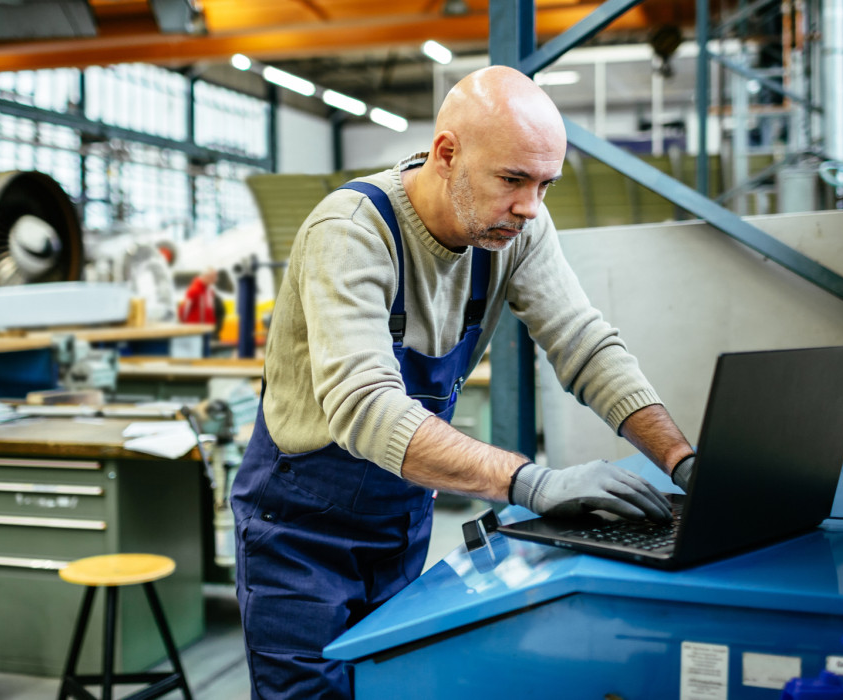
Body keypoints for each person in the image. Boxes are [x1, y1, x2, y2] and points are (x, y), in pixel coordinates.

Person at [230, 65, 697, 699]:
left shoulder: (514, 229)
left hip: (399, 522)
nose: (530, 207)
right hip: (299, 535)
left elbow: (584, 343)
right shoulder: (351, 232)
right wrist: (534, 483)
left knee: (393, 685)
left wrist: (684, 462)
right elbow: (367, 408)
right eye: (513, 180)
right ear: (447, 154)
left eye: (545, 185)